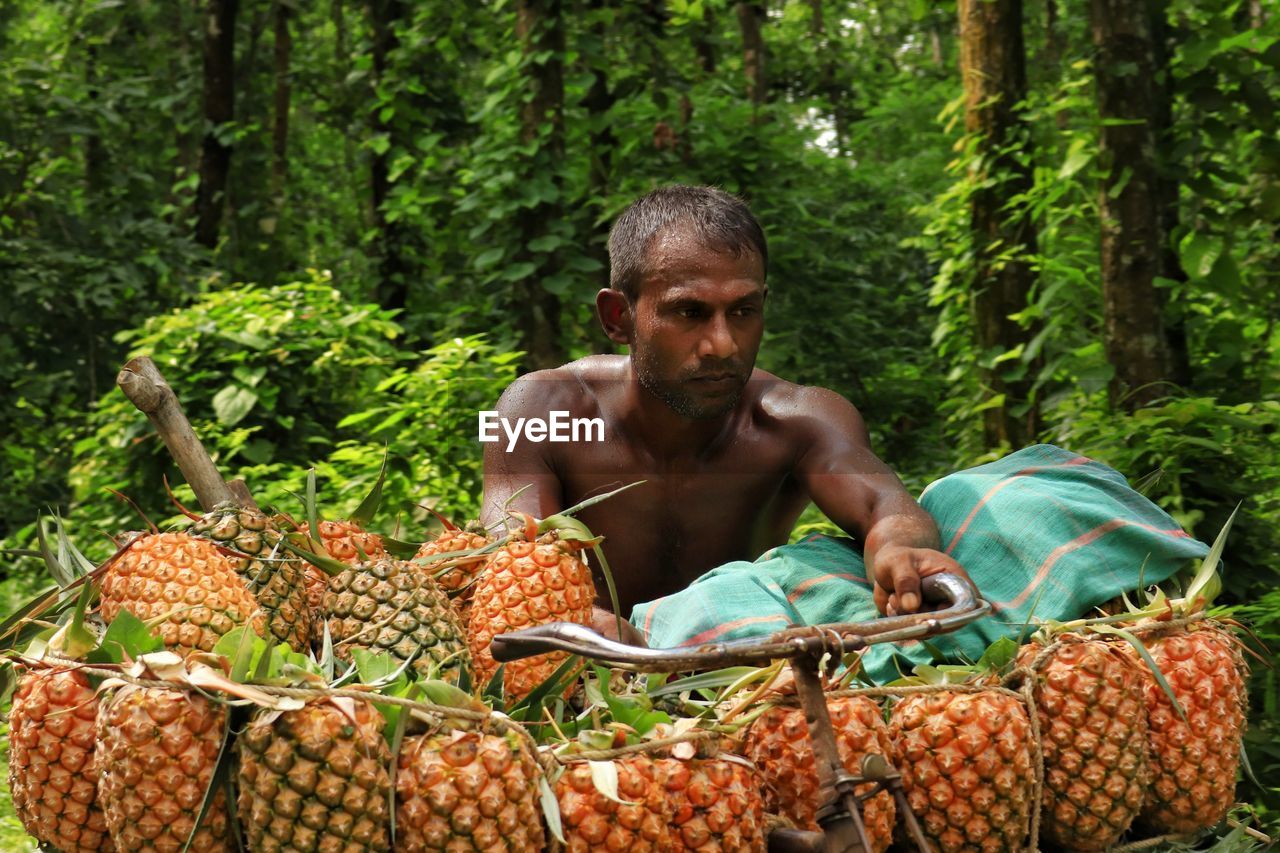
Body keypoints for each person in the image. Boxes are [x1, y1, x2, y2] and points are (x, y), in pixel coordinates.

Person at [481, 186, 1207, 667]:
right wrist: (584, 626)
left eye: (745, 309)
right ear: (618, 316)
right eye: (688, 312)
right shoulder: (534, 407)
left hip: (744, 674)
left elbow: (885, 504)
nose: (723, 344)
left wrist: (901, 550)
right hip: (583, 678)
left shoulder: (796, 419)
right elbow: (511, 555)